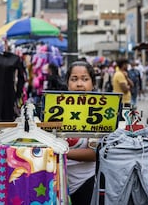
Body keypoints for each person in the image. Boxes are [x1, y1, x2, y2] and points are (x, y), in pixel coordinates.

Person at [65, 61, 97, 204]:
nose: (79, 84)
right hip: (57, 181)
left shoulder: (98, 112)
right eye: (74, 79)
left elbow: (94, 153)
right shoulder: (55, 109)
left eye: (85, 79)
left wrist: (60, 152)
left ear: (92, 84)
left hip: (87, 183)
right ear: (67, 84)